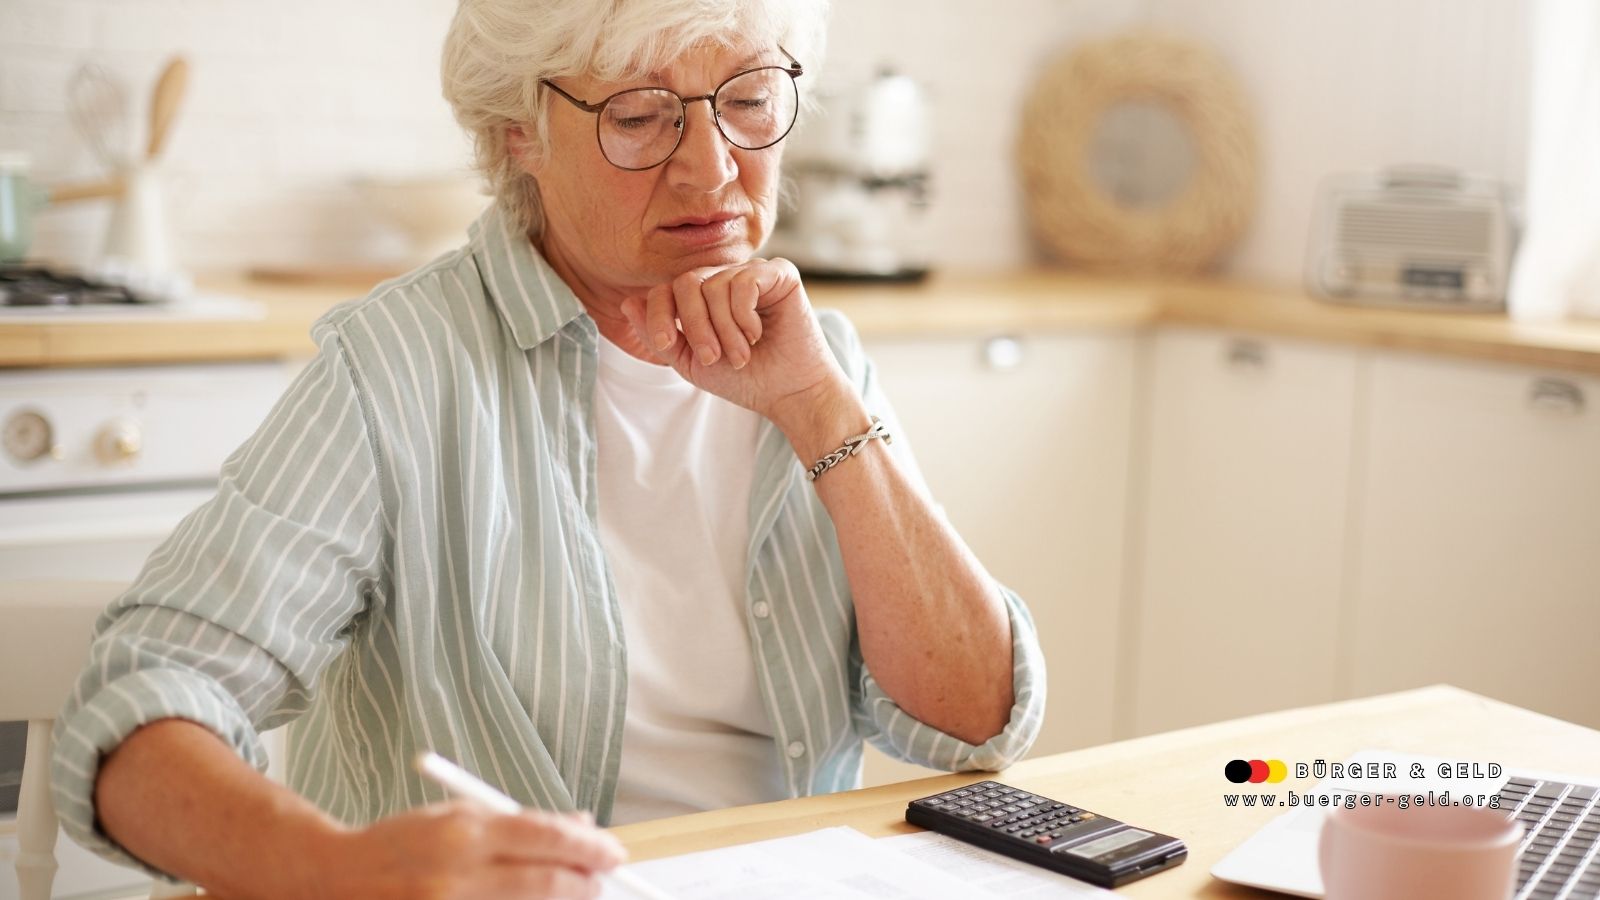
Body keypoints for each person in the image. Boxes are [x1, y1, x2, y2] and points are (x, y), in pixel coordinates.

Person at [51, 0, 1046, 896]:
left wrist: (820, 411)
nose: (710, 167)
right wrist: (340, 870)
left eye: (746, 98)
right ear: (516, 130)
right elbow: (142, 704)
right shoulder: (399, 365)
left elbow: (973, 719)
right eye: (641, 117)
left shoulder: (815, 355)